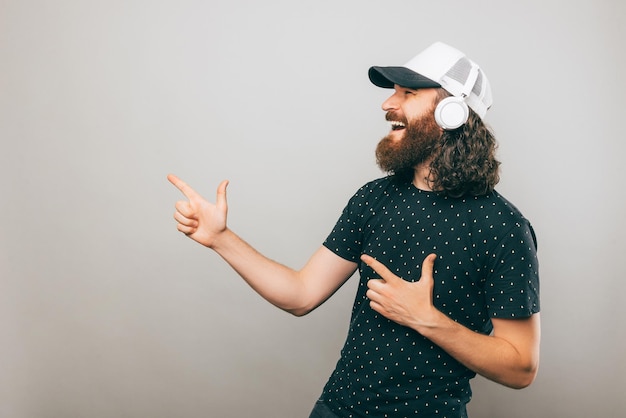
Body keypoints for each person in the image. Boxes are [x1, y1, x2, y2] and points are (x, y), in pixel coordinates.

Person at [168, 41, 540, 418]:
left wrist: (427, 320)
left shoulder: (502, 227)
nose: (387, 104)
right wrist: (220, 239)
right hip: (337, 409)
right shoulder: (373, 199)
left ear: (452, 112)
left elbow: (521, 366)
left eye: (408, 93)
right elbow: (300, 294)